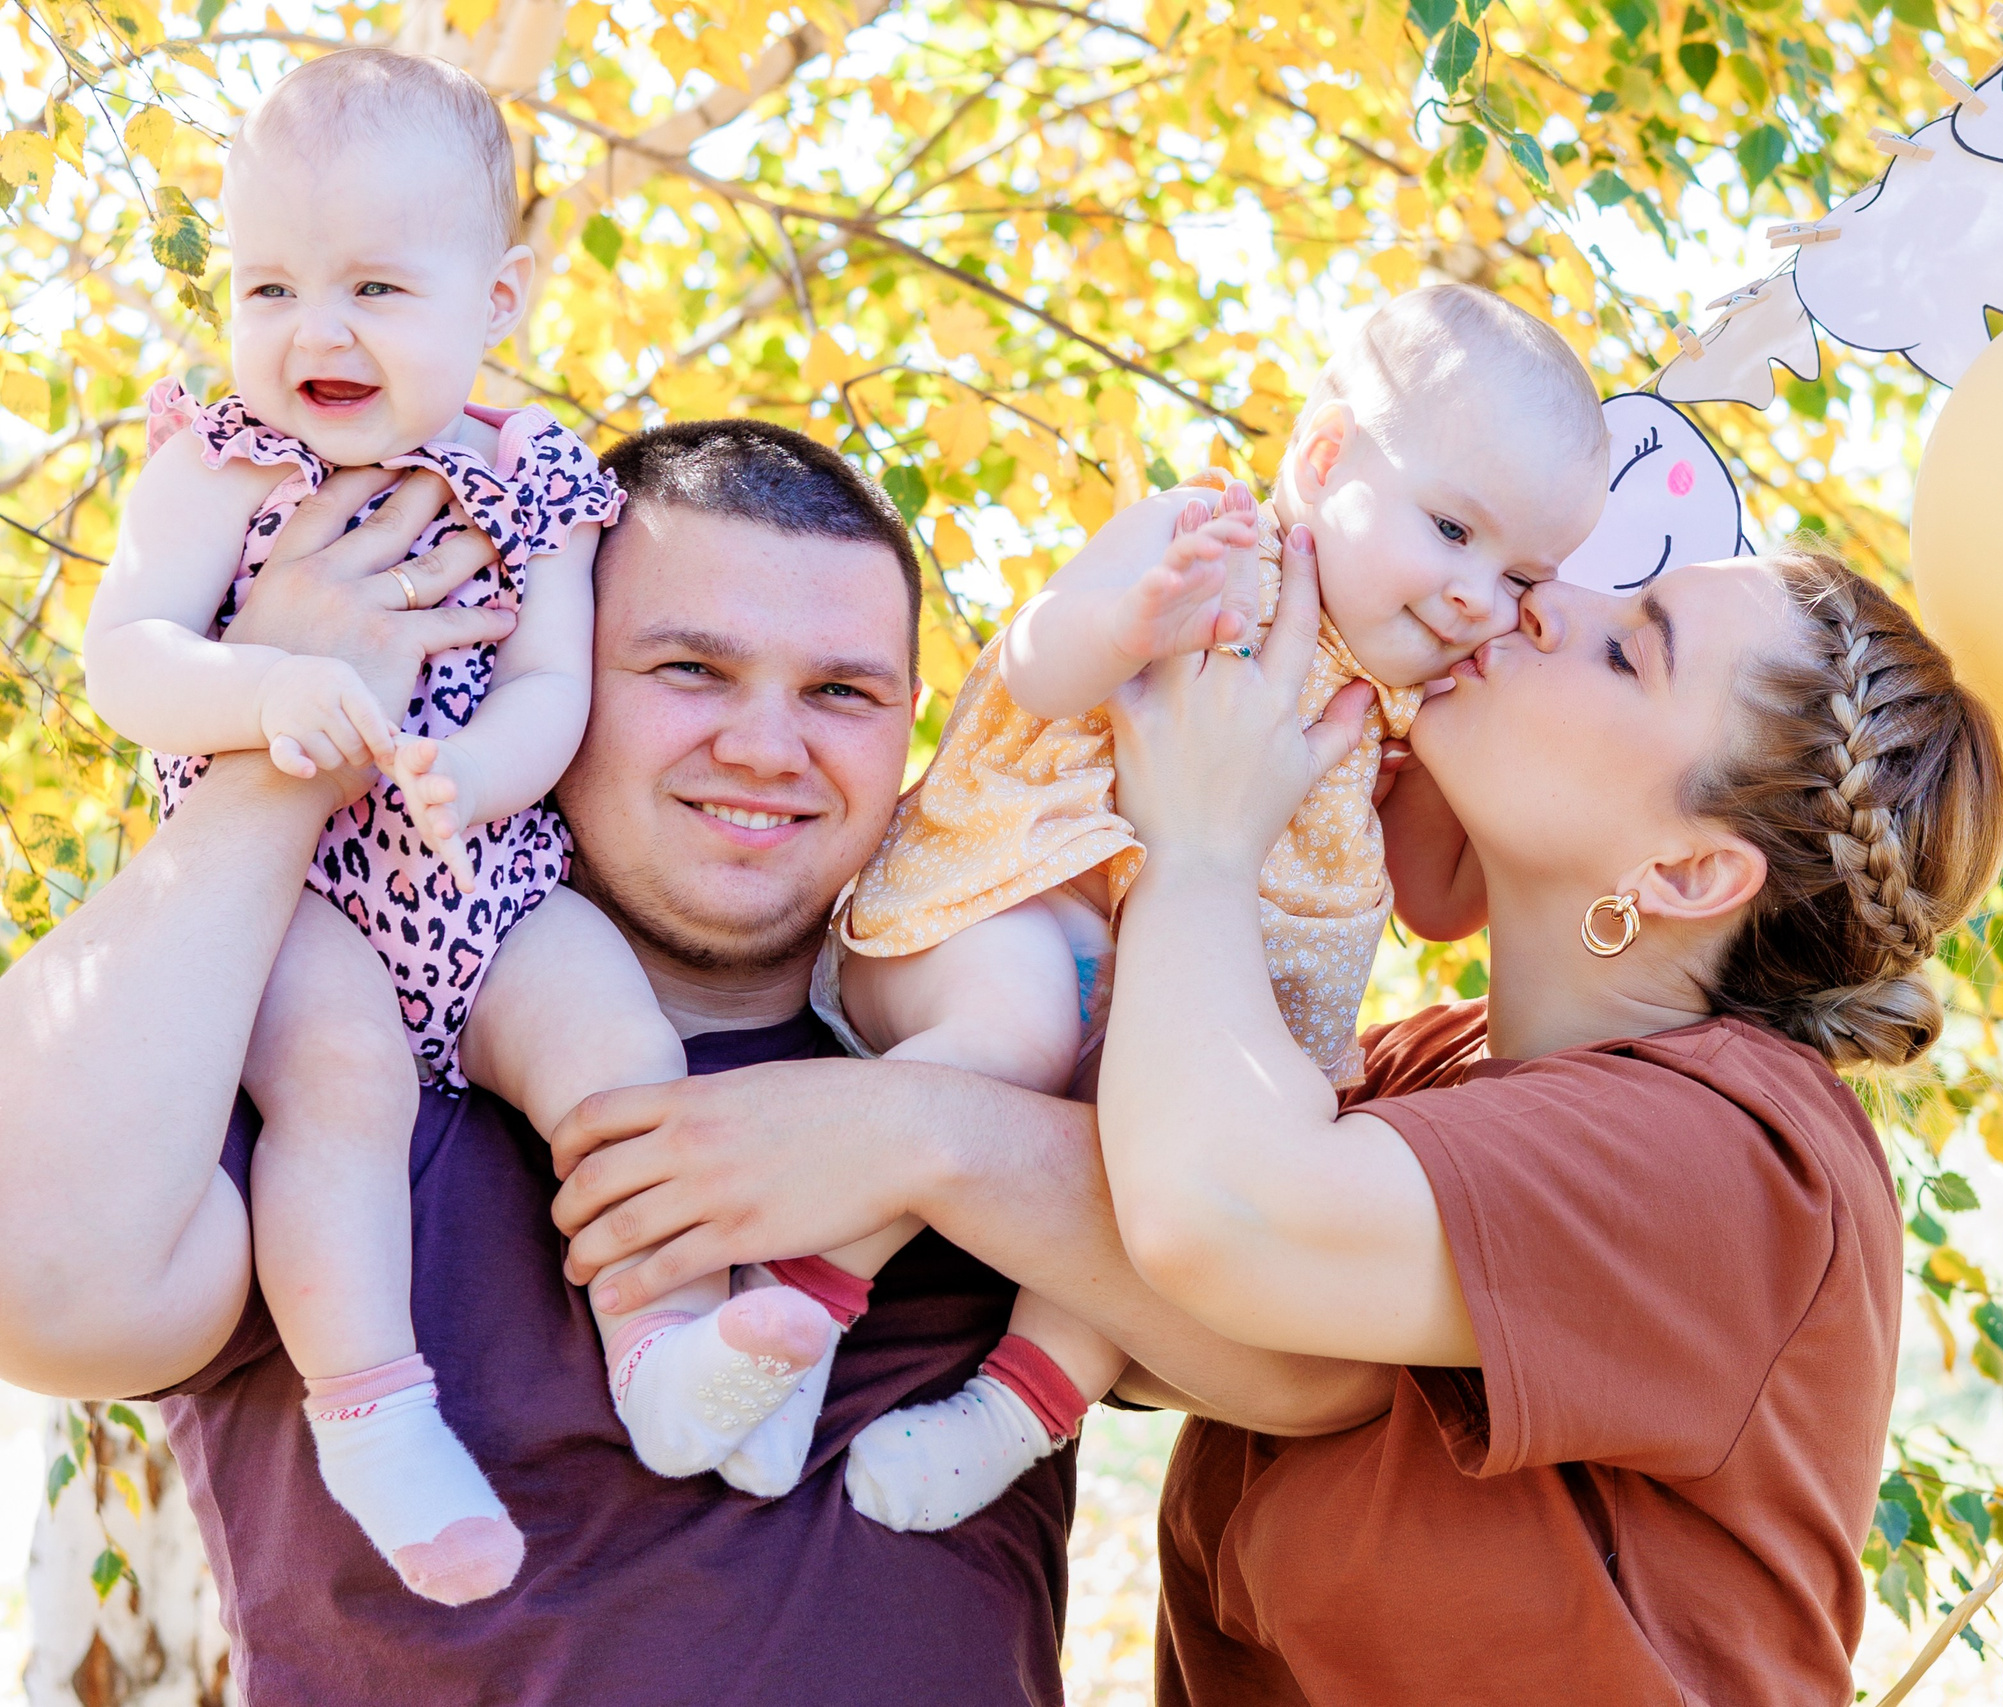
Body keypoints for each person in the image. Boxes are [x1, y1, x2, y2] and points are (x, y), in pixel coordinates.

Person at [0, 419, 1375, 1703]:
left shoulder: (1028, 1066)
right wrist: (285, 746)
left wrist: (927, 1135)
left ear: (909, 728)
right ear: (546, 679)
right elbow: (43, 1282)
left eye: (841, 692)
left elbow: (1317, 1369)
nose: (766, 747)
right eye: (689, 670)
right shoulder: (334, 1059)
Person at [546, 527, 2003, 1704]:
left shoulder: (1734, 1153)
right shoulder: (1427, 1073)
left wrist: (1194, 846)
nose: (1546, 600)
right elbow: (1257, 1342)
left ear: (1689, 875)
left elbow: (1211, 1217)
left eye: (1630, 648)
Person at [79, 48, 840, 1606]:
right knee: (340, 1077)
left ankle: (669, 1342)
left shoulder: (531, 475)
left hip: (480, 871)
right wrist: (267, 680)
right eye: (271, 286)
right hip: (288, 893)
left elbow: (554, 682)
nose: (316, 329)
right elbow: (125, 662)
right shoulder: (218, 465)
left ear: (496, 302)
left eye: (373, 285)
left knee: (616, 1049)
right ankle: (375, 1412)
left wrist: (482, 773)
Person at [801, 283, 1607, 1533]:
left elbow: (1441, 902)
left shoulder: (1407, 705)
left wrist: (1508, 763)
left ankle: (1013, 1407)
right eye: (1451, 530)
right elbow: (1034, 664)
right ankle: (794, 1300)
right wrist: (1126, 620)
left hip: (1177, 1014)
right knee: (1018, 1027)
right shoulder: (1211, 546)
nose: (1471, 596)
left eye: (1520, 577)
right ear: (1325, 459)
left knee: (1173, 1164)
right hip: (1030, 901)